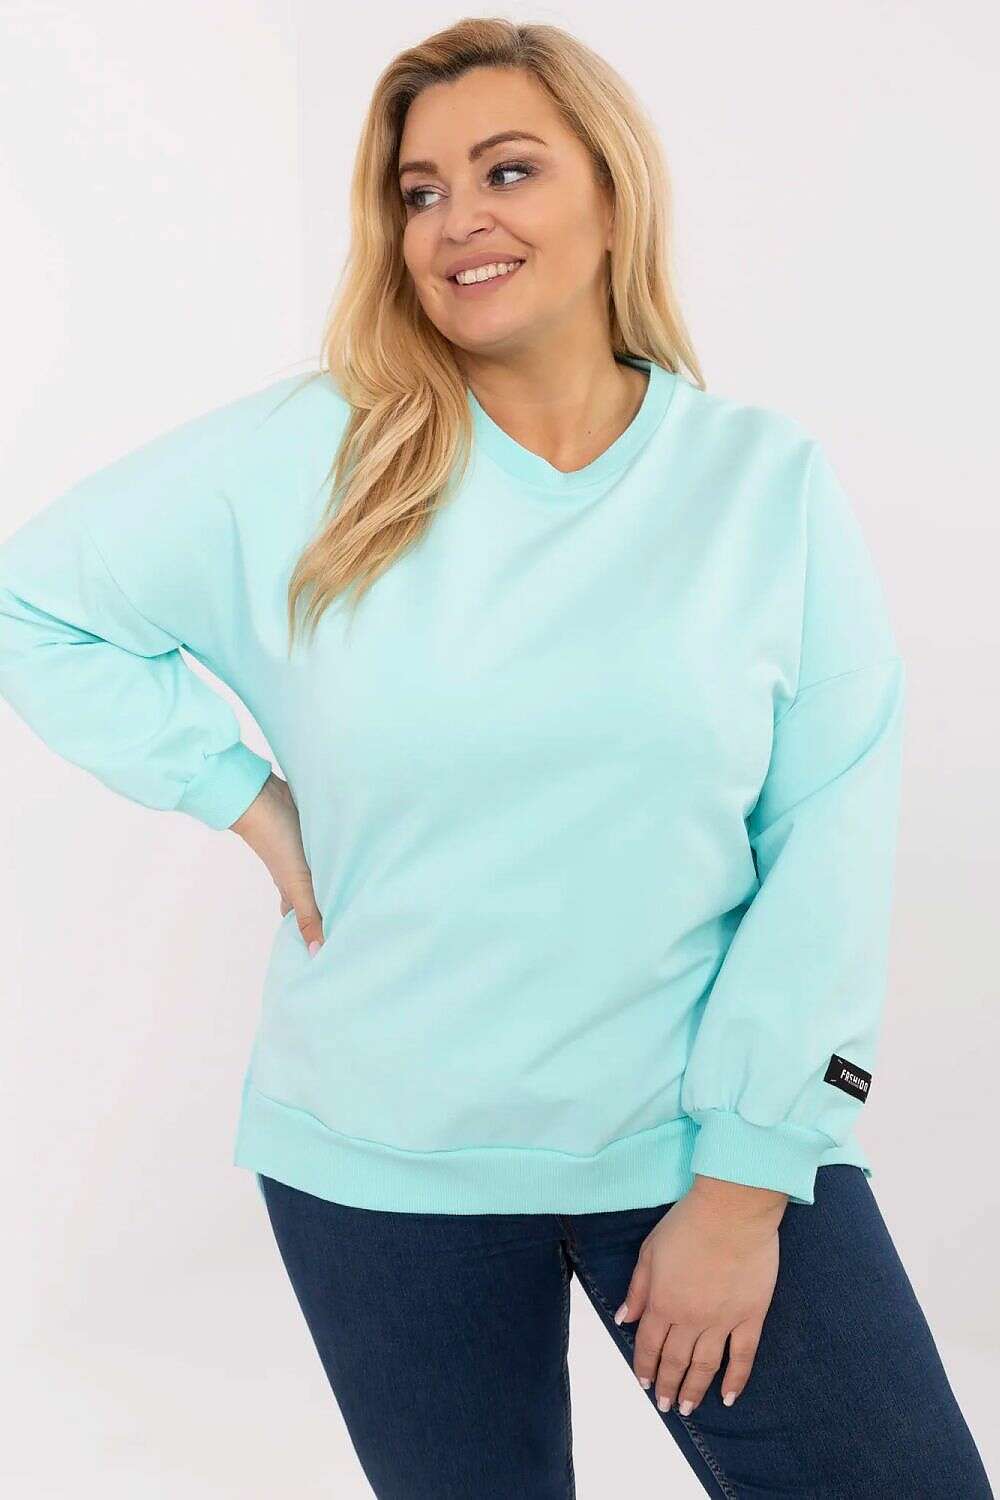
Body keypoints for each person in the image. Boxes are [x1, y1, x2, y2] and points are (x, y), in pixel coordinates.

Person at [0, 15, 992, 1500]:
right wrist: (240, 796)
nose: (457, 217)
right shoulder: (310, 457)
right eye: (421, 191)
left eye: (508, 170)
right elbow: (35, 601)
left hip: (702, 1145)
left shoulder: (760, 484)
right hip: (376, 1163)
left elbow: (828, 847)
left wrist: (742, 1188)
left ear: (613, 191)